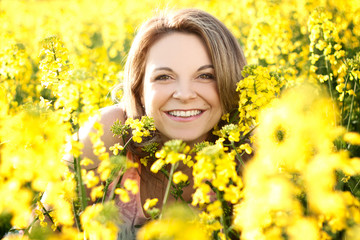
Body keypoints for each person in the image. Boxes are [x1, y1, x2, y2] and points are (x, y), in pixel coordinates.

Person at [79, 8, 247, 239]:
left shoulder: (252, 150)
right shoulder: (109, 133)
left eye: (206, 75)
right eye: (164, 77)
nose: (184, 94)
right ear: (139, 90)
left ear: (230, 82)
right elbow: (39, 229)